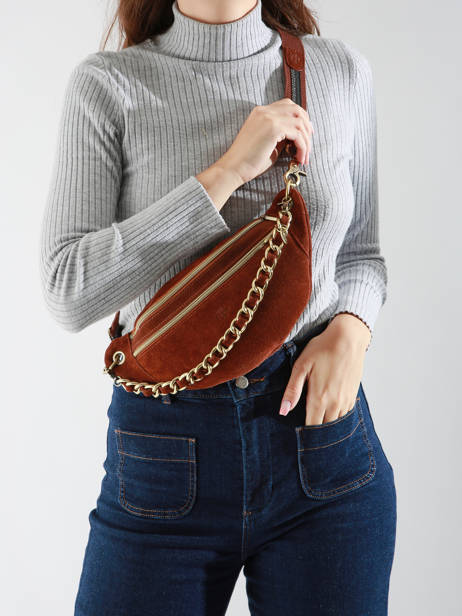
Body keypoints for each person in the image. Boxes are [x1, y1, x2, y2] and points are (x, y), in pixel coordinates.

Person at [39, 0, 397, 614]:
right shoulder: (108, 85)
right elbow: (67, 289)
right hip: (163, 452)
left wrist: (352, 331)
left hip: (320, 447)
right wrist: (226, 173)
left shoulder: (340, 71)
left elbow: (362, 254)